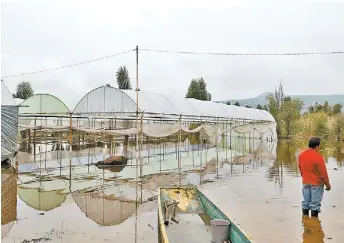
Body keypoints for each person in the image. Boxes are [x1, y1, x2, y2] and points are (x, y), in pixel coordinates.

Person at [298, 137, 331, 217]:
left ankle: (305, 222)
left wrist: (304, 177)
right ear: (317, 146)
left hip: (305, 182)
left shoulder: (301, 155)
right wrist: (328, 185)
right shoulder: (318, 157)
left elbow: (300, 167)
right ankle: (314, 223)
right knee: (315, 204)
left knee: (305, 202)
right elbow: (323, 173)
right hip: (317, 183)